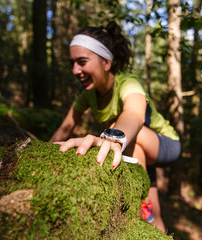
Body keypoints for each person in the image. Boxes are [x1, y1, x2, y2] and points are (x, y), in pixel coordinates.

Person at [49, 21, 181, 233]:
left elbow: (134, 114)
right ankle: (153, 227)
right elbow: (65, 128)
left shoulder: (128, 82)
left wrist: (112, 138)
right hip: (137, 150)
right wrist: (47, 154)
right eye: (72, 63)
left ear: (106, 63)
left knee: (122, 130)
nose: (75, 70)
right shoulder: (87, 94)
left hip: (166, 145)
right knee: (153, 215)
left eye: (82, 62)